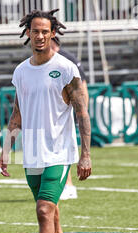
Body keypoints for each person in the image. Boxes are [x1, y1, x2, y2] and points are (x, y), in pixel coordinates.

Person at [0, 9, 92, 233]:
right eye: (34, 31)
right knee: (52, 219)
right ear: (27, 32)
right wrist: (5, 150)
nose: (39, 36)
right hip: (32, 157)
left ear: (53, 34)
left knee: (43, 212)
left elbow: (81, 113)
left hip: (60, 154)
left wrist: (85, 155)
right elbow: (17, 115)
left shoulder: (66, 68)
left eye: (44, 31)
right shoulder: (21, 71)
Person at [51, 36, 90, 200]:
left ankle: (68, 185)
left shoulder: (67, 60)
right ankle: (64, 185)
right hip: (54, 112)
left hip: (66, 111)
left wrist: (81, 111)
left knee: (63, 148)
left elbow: (82, 86)